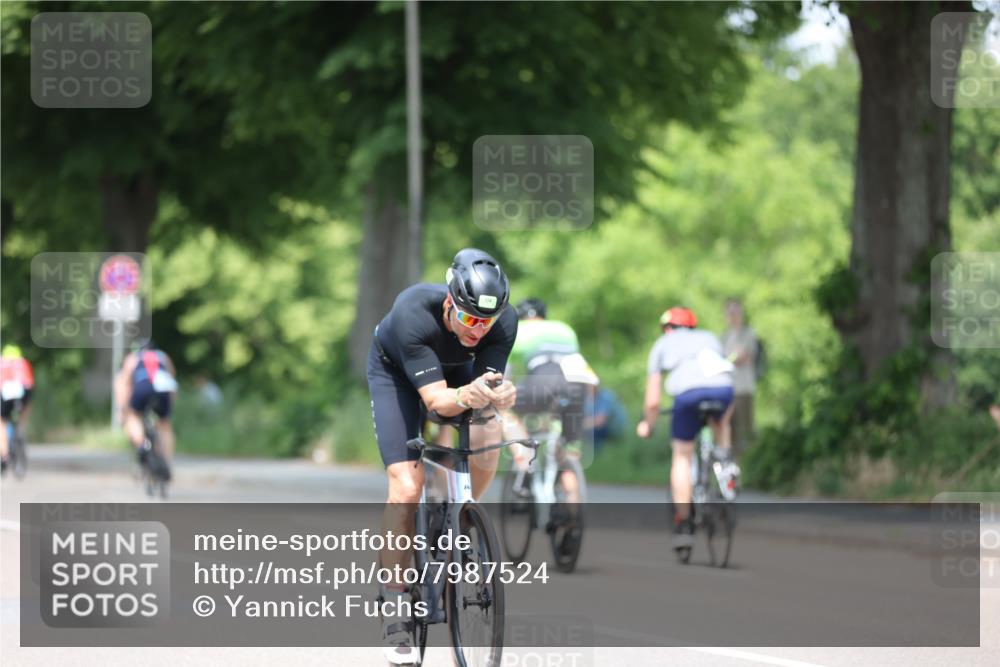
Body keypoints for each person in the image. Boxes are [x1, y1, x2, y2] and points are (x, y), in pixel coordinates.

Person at [367, 248, 517, 664]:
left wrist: (500, 393)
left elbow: (487, 384)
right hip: (397, 373)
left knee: (490, 427)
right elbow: (436, 401)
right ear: (450, 302)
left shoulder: (503, 322)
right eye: (469, 319)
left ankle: (463, 514)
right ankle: (395, 608)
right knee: (405, 486)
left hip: (456, 372)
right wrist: (467, 394)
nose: (477, 332)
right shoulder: (412, 313)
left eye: (486, 324)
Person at [636, 307, 735, 550]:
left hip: (688, 396)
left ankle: (683, 522)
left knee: (682, 455)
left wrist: (648, 424)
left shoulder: (662, 344)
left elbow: (653, 400)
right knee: (721, 421)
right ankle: (725, 463)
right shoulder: (709, 338)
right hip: (724, 391)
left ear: (667, 328)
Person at [503, 297, 598, 498]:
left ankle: (525, 461)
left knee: (505, 410)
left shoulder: (517, 330)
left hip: (543, 380)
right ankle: (572, 516)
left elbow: (505, 378)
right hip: (577, 384)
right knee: (569, 452)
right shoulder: (565, 329)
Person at [114, 340, 178, 470]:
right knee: (164, 425)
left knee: (133, 416)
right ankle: (167, 462)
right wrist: (170, 408)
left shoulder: (133, 358)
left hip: (142, 387)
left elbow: (125, 383)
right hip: (163, 389)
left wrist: (122, 409)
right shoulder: (163, 356)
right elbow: (172, 381)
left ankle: (142, 444)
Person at [720, 298, 759, 458]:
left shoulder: (748, 333)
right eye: (730, 312)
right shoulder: (724, 336)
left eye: (735, 312)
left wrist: (727, 359)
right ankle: (735, 464)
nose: (733, 315)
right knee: (730, 429)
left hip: (744, 387)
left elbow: (742, 356)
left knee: (746, 427)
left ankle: (752, 461)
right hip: (728, 387)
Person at [1, 344, 35, 474]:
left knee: (2, 422)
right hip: (24, 390)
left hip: (5, 391)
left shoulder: (2, 362)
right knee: (26, 406)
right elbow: (31, 383)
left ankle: (4, 455)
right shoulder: (23, 362)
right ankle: (21, 425)